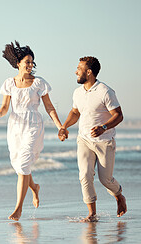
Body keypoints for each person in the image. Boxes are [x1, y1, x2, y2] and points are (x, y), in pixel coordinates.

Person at [0, 41, 63, 221]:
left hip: (33, 125)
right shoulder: (9, 83)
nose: (30, 65)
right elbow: (5, 106)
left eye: (32, 62)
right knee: (19, 166)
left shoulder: (39, 83)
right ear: (18, 63)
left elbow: (49, 107)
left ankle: (18, 208)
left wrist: (59, 126)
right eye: (27, 62)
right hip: (15, 126)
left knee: (23, 164)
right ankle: (34, 187)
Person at [59, 56, 127, 222]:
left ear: (89, 72)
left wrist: (104, 127)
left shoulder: (105, 91)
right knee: (85, 175)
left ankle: (119, 196)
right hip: (84, 140)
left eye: (79, 68)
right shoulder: (78, 92)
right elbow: (75, 112)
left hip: (104, 141)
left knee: (105, 179)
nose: (76, 71)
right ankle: (92, 213)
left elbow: (118, 115)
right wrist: (64, 127)